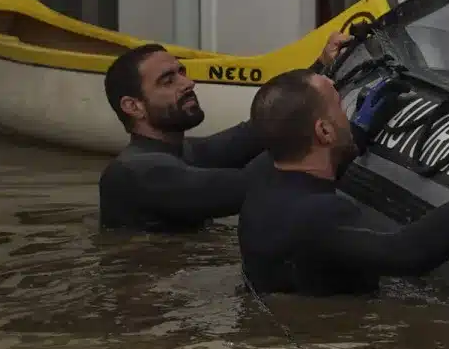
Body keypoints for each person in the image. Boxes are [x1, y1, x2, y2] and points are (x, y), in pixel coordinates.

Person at [238, 68, 449, 295]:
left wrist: (358, 134)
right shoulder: (320, 216)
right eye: (339, 106)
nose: (347, 113)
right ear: (324, 132)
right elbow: (410, 252)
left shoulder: (260, 190)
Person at [97, 35, 345, 232]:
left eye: (182, 72)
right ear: (133, 106)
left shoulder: (185, 152)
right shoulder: (135, 174)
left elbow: (255, 131)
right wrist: (328, 133)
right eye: (168, 80)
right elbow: (249, 186)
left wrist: (323, 67)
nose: (188, 83)